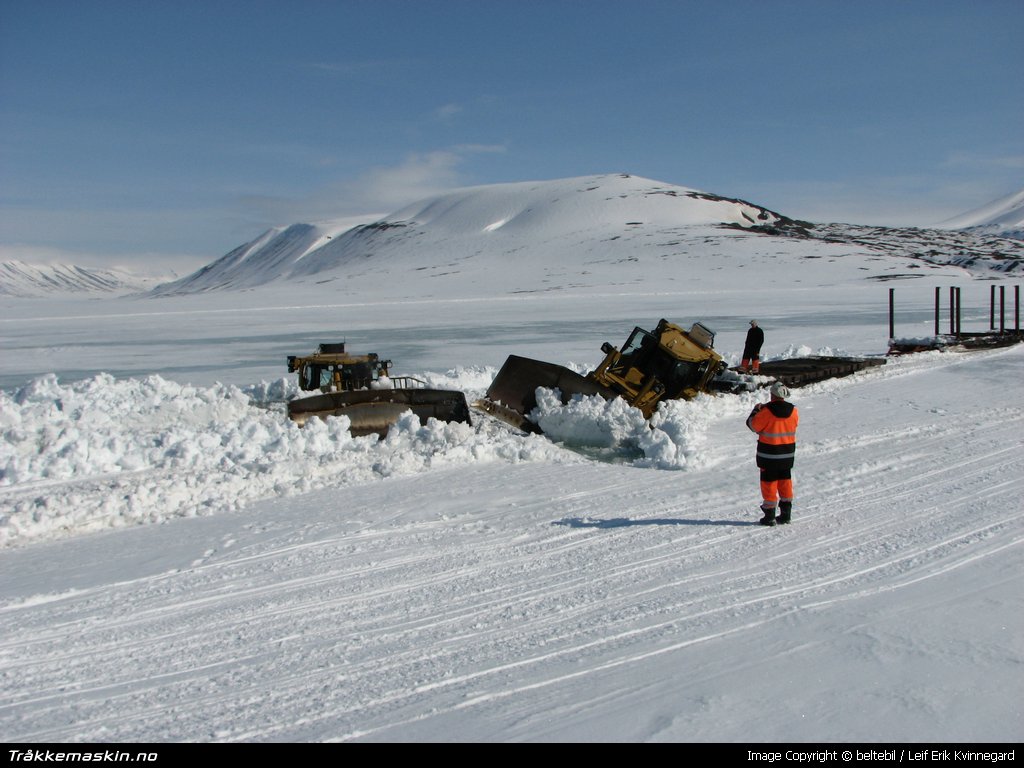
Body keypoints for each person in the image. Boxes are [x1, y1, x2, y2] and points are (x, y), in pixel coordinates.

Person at [746, 381, 799, 526]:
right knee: (785, 482)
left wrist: (756, 410)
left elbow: (752, 425)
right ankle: (786, 514)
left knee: (769, 483)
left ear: (773, 395)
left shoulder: (767, 412)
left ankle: (769, 516)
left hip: (769, 455)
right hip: (787, 454)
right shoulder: (794, 411)